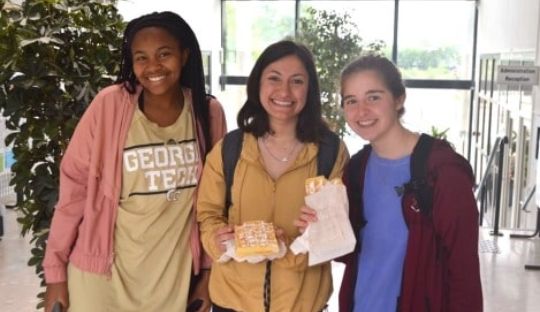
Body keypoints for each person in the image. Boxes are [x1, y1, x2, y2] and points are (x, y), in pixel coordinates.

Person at [42, 11, 226, 312]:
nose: (153, 66)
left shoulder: (208, 113)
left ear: (184, 55)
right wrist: (55, 274)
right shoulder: (110, 105)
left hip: (170, 280)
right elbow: (73, 192)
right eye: (141, 57)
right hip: (101, 279)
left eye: (164, 54)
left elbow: (215, 204)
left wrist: (207, 273)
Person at [296, 55, 483, 312]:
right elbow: (354, 250)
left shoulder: (442, 172)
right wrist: (320, 229)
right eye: (351, 101)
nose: (361, 111)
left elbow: (464, 274)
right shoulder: (356, 169)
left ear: (398, 98)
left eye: (373, 97)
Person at [196, 40, 349, 312]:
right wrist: (216, 239)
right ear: (258, 84)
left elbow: (337, 232)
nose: (284, 91)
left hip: (302, 303)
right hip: (232, 301)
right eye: (274, 78)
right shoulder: (230, 149)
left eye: (297, 81)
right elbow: (207, 213)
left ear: (309, 88)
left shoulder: (330, 152)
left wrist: (307, 237)